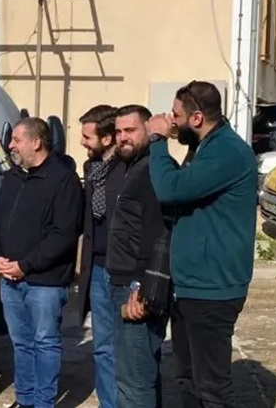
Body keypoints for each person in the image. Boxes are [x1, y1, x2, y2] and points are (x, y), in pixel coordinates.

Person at [146, 81, 257, 408]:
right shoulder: (205, 147)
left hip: (213, 289)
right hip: (192, 286)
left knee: (211, 388)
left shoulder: (227, 152)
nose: (171, 119)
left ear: (196, 118)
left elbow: (171, 189)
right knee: (188, 379)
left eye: (176, 114)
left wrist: (157, 141)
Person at [0, 117, 83, 408]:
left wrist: (25, 265)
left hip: (45, 282)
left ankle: (43, 403)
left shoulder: (63, 180)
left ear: (37, 142)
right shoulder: (13, 177)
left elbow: (63, 234)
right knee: (21, 344)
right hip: (9, 278)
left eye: (17, 140)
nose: (10, 145)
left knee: (45, 343)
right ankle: (25, 400)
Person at [105, 106, 167, 408]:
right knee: (138, 373)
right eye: (118, 132)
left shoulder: (153, 170)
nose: (122, 137)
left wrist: (139, 286)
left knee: (134, 380)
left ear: (147, 130)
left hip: (135, 285)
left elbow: (156, 233)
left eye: (130, 130)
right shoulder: (129, 167)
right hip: (121, 279)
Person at [74, 104, 118, 408]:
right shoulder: (91, 169)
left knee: (129, 348)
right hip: (98, 267)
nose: (82, 142)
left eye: (87, 136)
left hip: (124, 270)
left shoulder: (128, 168)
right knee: (103, 346)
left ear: (107, 138)